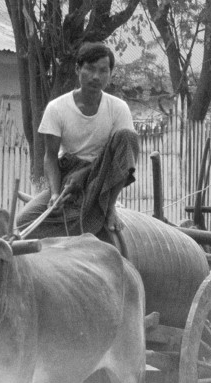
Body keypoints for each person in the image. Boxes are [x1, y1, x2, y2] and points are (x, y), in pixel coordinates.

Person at [15, 41, 139, 239]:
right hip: (68, 176)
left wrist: (87, 172)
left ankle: (109, 208)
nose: (96, 77)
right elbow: (50, 157)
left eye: (103, 70)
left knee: (128, 137)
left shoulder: (119, 108)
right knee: (24, 222)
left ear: (110, 74)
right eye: (89, 69)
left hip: (103, 175)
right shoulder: (56, 108)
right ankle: (84, 222)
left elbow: (121, 155)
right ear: (77, 69)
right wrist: (55, 194)